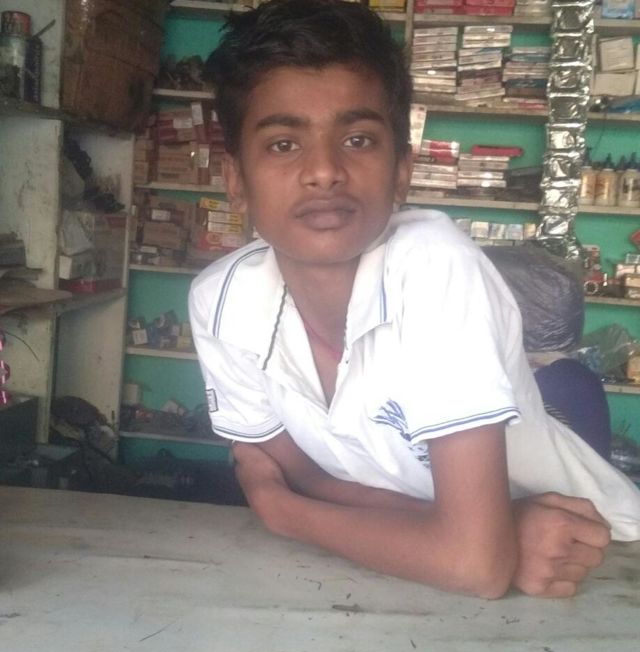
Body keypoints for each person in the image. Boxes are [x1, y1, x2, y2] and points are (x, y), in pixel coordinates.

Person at [189, 0, 640, 599]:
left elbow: (474, 568)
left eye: (357, 139)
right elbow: (301, 473)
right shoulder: (222, 302)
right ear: (236, 181)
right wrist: (488, 533)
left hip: (591, 565)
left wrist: (283, 513)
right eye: (282, 144)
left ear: (402, 170)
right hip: (409, 563)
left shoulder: (433, 265)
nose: (324, 171)